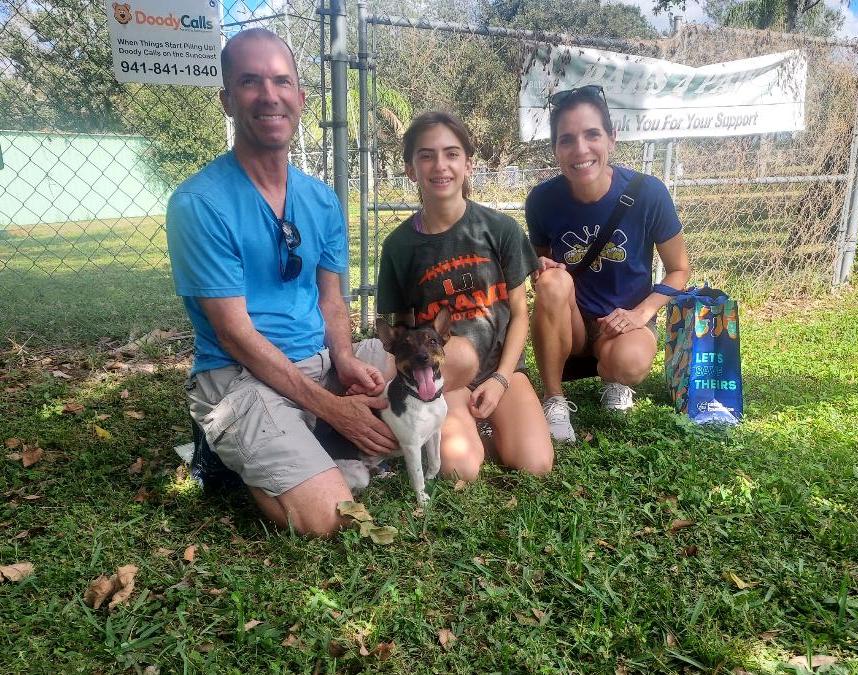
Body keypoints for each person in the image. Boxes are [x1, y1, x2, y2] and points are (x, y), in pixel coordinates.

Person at [165, 28, 397, 536]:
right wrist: (336, 409)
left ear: (301, 98)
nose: (269, 96)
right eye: (250, 82)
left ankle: (307, 435)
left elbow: (332, 299)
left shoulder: (322, 200)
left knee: (411, 382)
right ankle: (229, 451)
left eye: (281, 81)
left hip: (317, 363)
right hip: (241, 375)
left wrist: (345, 359)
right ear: (227, 99)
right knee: (328, 519)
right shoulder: (199, 203)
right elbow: (234, 335)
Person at [377, 112, 553, 481]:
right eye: (426, 155)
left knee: (535, 464)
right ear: (410, 169)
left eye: (451, 153)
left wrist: (502, 378)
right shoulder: (399, 246)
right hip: (441, 374)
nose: (440, 165)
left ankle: (492, 422)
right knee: (460, 469)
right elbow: (401, 333)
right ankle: (467, 427)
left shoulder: (500, 229)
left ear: (468, 164)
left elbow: (521, 314)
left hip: (501, 369)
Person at [527, 85, 691, 442]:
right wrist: (540, 267)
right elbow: (544, 267)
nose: (580, 149)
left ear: (612, 139)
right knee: (552, 284)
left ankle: (613, 378)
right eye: (566, 139)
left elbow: (680, 269)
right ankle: (553, 398)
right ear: (555, 149)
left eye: (592, 135)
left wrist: (641, 314)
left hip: (624, 322)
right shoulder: (542, 200)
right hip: (572, 325)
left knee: (629, 362)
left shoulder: (649, 192)